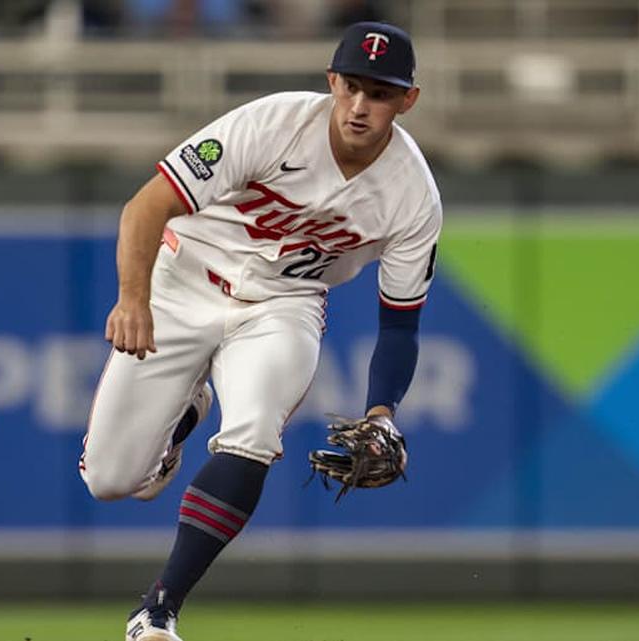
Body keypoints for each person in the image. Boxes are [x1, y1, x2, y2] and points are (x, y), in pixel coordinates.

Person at [78, 21, 441, 641]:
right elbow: (145, 206)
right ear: (331, 82)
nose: (360, 106)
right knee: (111, 481)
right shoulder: (273, 123)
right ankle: (186, 415)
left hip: (284, 303)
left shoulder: (413, 196)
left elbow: (400, 324)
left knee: (253, 434)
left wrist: (382, 413)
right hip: (184, 278)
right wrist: (132, 298)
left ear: (407, 99)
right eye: (351, 86)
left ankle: (158, 610)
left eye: (379, 93)